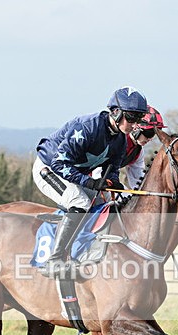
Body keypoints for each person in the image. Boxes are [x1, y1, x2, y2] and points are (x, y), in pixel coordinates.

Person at [34, 86, 148, 277]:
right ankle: (54, 260)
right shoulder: (87, 128)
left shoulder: (120, 139)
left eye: (139, 119)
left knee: (104, 204)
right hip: (49, 169)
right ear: (116, 112)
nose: (136, 124)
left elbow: (111, 172)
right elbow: (59, 163)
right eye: (132, 118)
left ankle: (81, 254)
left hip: (72, 173)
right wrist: (88, 182)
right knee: (79, 202)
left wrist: (116, 186)